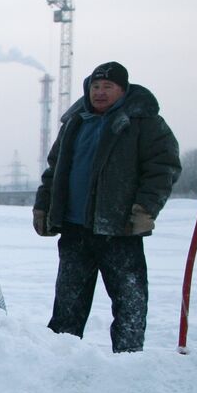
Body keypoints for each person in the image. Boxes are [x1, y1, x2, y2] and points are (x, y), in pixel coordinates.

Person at [33, 61, 180, 352]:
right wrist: (43, 206)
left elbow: (163, 168)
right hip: (75, 229)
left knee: (129, 302)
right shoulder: (76, 122)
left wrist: (145, 209)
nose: (100, 93)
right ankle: (60, 359)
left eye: (107, 87)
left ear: (123, 90)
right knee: (68, 305)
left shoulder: (143, 123)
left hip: (119, 229)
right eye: (95, 87)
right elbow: (54, 169)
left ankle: (128, 362)